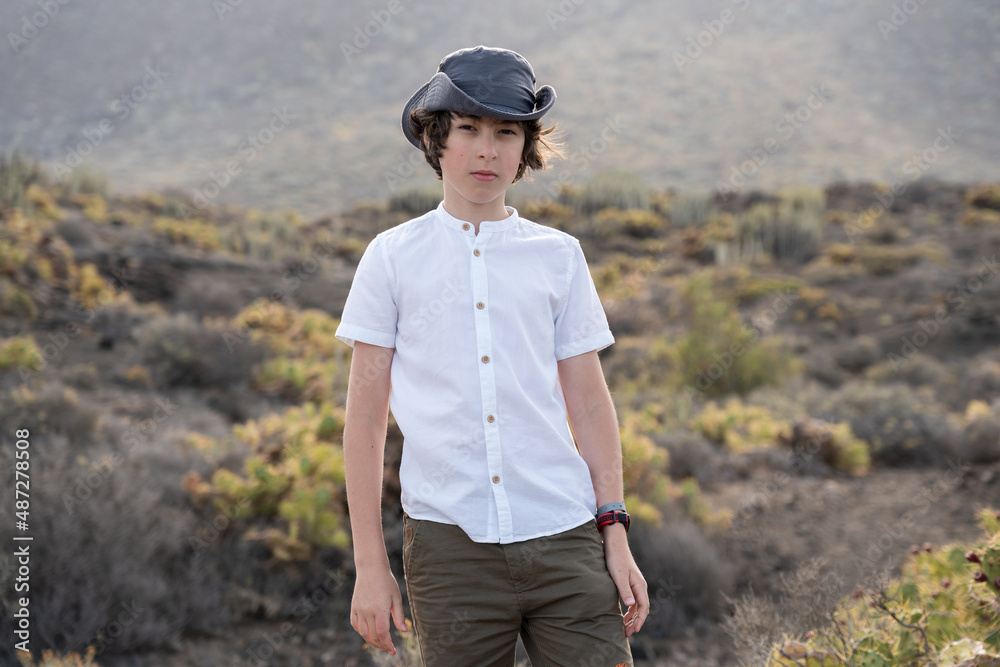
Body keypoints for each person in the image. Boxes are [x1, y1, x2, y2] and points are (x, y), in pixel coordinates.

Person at [335, 45, 648, 666]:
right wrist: (370, 566)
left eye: (506, 132)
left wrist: (614, 534)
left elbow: (589, 405)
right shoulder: (391, 258)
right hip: (450, 552)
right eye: (469, 129)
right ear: (437, 139)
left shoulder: (559, 256)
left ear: (525, 147)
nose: (487, 150)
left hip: (565, 537)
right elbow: (365, 421)